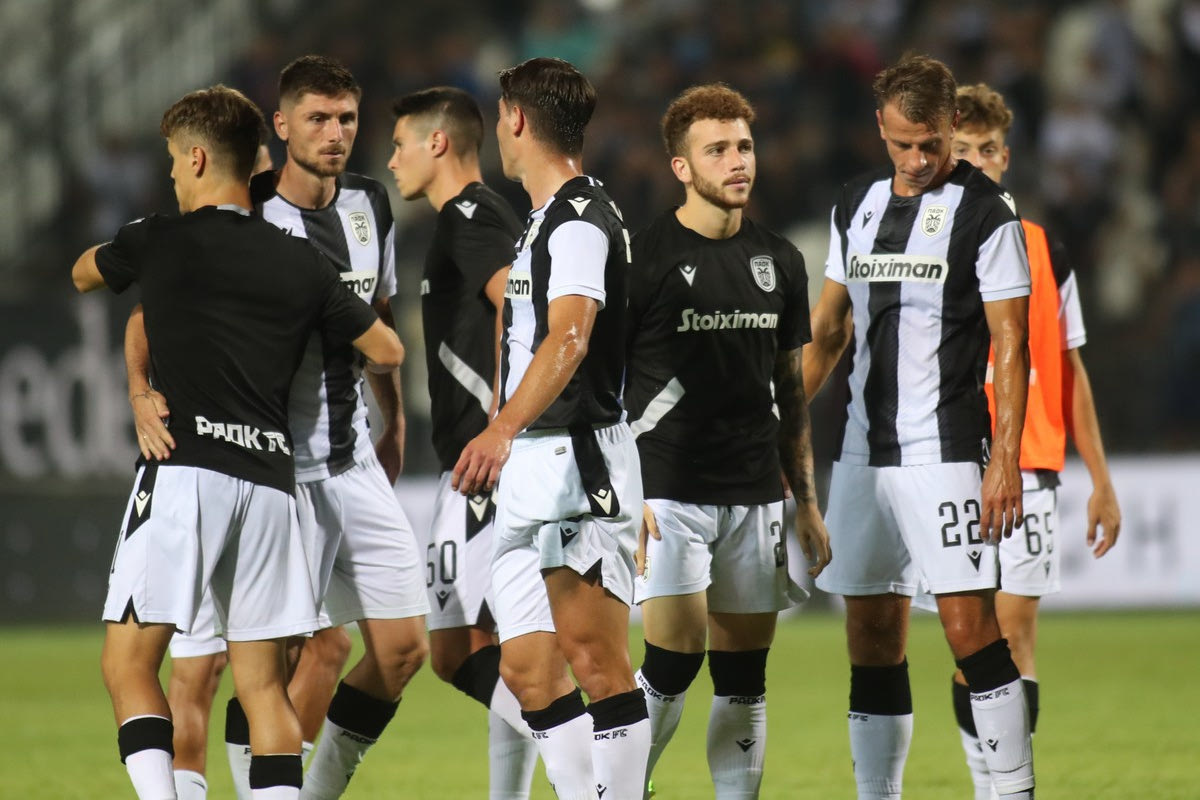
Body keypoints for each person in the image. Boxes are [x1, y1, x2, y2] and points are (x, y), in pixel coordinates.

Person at [76, 84, 403, 800]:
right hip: (271, 484)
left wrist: (141, 384)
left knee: (129, 664)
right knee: (264, 690)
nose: (170, 172)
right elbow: (387, 348)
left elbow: (83, 273)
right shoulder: (299, 261)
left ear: (196, 158)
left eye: (172, 159)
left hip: (184, 467)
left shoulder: (159, 239)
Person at [802, 55, 1036, 799]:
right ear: (880, 127)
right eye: (902, 143)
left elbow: (1011, 343)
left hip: (946, 450)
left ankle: (1014, 790)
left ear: (952, 125)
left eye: (930, 143)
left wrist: (1004, 459)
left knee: (970, 632)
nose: (916, 159)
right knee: (871, 637)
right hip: (861, 454)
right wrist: (772, 418)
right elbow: (829, 329)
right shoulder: (855, 204)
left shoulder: (987, 214)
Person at [623, 83, 831, 799]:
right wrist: (621, 488)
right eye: (717, 150)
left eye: (743, 145)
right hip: (666, 492)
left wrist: (806, 503)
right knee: (674, 659)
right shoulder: (643, 258)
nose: (737, 160)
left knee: (744, 677)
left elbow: (790, 391)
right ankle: (616, 785)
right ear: (681, 168)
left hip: (755, 494)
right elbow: (600, 382)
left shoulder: (781, 260)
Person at [453, 56, 651, 800]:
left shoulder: (578, 219)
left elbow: (570, 335)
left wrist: (500, 427)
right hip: (531, 467)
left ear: (515, 119)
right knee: (527, 669)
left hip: (576, 461)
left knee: (597, 661)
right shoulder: (546, 220)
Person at [947, 82, 1121, 799]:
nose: (977, 161)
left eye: (987, 149)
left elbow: (1070, 368)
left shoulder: (1047, 251)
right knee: (970, 637)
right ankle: (988, 784)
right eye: (962, 149)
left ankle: (1006, 791)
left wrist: (1101, 478)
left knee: (1014, 632)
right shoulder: (927, 245)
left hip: (1032, 464)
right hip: (950, 462)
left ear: (1006, 156)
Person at [386, 86, 538, 799]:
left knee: (454, 650)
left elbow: (519, 305)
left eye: (399, 145)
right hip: (481, 460)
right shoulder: (479, 215)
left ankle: (600, 753)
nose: (392, 161)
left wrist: (501, 422)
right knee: (502, 653)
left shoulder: (470, 216)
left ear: (437, 142)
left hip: (483, 466)